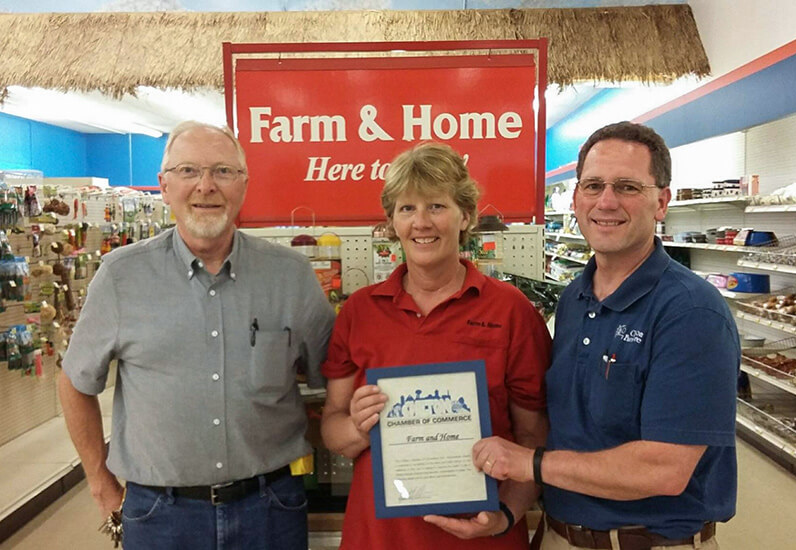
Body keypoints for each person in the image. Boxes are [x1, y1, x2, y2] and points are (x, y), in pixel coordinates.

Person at [58, 121, 335, 549]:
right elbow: (75, 383)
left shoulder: (291, 276)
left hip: (270, 510)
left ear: (244, 185)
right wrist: (100, 485)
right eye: (188, 170)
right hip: (160, 516)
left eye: (223, 171)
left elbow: (333, 379)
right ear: (164, 186)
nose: (206, 185)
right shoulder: (120, 276)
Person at [474, 121, 739, 550]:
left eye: (627, 187)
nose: (607, 202)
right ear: (576, 198)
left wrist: (530, 463)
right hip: (560, 534)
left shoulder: (691, 312)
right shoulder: (574, 299)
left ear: (661, 202)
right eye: (593, 186)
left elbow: (664, 469)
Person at [320, 141, 552, 550]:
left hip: (481, 539)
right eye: (407, 208)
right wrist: (359, 426)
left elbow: (534, 439)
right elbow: (332, 429)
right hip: (379, 538)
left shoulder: (511, 310)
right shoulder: (360, 311)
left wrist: (504, 516)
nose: (421, 222)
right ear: (392, 222)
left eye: (437, 206)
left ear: (466, 216)